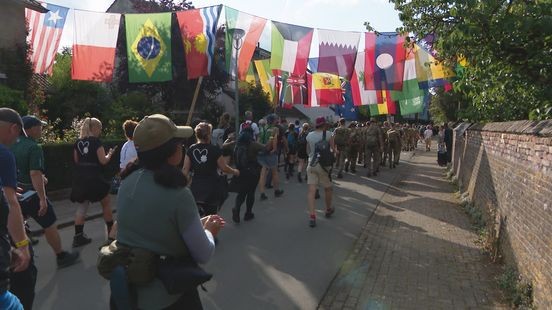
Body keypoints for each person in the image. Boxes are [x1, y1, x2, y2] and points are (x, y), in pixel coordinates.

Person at [116, 114, 224, 309]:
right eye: (179, 143)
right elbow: (203, 253)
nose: (182, 146)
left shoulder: (127, 182)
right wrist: (209, 231)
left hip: (129, 295)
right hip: (169, 297)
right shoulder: (178, 194)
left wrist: (196, 225)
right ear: (170, 152)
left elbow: (151, 229)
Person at [10, 115, 79, 268]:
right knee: (49, 223)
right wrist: (42, 198)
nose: (41, 129)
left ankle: (19, 255)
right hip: (31, 193)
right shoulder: (34, 147)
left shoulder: (9, 144)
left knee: (17, 221)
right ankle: (61, 256)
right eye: (39, 126)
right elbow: (34, 173)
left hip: (14, 193)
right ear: (30, 129)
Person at [0, 109, 34, 310]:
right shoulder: (4, 153)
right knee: (24, 285)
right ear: (14, 128)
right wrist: (21, 244)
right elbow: (11, 202)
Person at [70, 117, 116, 247]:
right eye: (100, 128)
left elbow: (76, 160)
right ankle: (111, 232)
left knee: (82, 206)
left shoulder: (78, 142)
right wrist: (110, 154)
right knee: (106, 203)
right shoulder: (96, 142)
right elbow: (103, 161)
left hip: (81, 178)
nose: (100, 131)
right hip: (95, 177)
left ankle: (78, 236)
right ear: (94, 128)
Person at [183, 122, 239, 216]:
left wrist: (178, 185)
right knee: (211, 217)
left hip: (196, 188)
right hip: (212, 188)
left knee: (197, 218)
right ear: (209, 135)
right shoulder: (214, 149)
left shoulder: (191, 149)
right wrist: (235, 171)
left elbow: (185, 169)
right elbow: (224, 168)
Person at [223, 128, 265, 223]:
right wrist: (272, 139)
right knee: (251, 193)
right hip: (252, 172)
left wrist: (229, 139)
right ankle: (248, 213)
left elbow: (223, 146)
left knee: (241, 193)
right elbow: (266, 148)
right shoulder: (253, 144)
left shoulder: (235, 144)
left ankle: (236, 208)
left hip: (239, 171)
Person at [306, 117, 335, 228]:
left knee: (311, 191)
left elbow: (307, 151)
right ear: (324, 125)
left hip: (311, 164)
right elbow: (333, 149)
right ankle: (328, 209)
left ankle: (312, 216)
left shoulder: (309, 136)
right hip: (323, 166)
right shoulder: (329, 134)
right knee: (328, 188)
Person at [257, 114, 284, 200]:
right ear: (273, 121)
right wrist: (274, 149)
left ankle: (262, 193)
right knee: (274, 172)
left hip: (261, 152)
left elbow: (258, 140)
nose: (277, 121)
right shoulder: (275, 129)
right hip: (270, 153)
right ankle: (277, 191)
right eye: (276, 119)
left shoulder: (262, 128)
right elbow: (274, 140)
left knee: (263, 174)